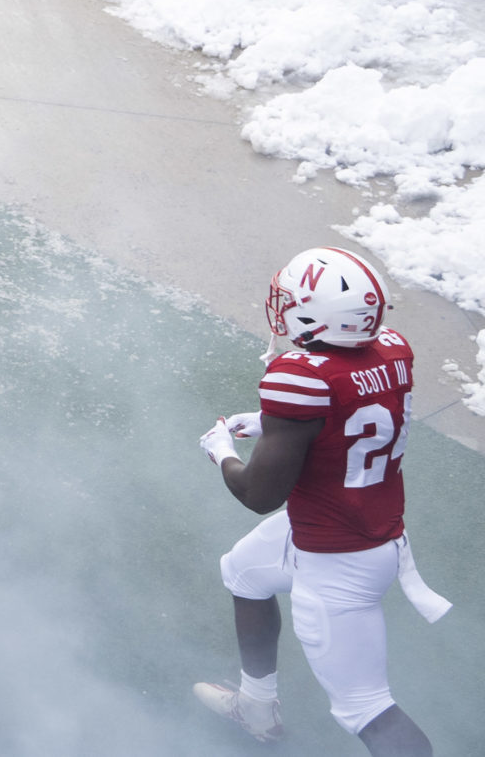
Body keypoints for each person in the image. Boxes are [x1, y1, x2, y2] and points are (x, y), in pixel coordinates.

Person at [195, 247, 446, 751]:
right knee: (243, 571)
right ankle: (256, 706)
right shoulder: (393, 348)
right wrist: (274, 425)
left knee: (367, 709)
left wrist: (221, 450)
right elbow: (356, 412)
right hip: (350, 523)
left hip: (337, 561)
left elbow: (259, 494)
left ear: (315, 316)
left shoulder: (299, 376)